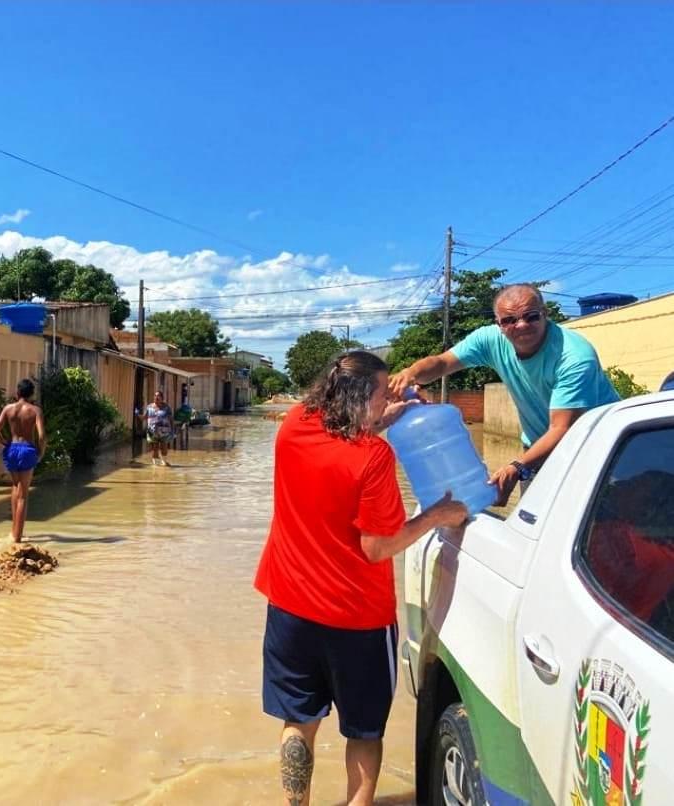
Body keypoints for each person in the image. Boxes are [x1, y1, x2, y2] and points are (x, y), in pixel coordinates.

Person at [254, 351, 468, 806]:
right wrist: (435, 515)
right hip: (357, 620)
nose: (383, 402)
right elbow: (377, 546)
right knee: (364, 730)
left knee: (298, 722)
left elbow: (340, 437)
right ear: (360, 397)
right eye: (380, 393)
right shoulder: (373, 458)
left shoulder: (294, 424)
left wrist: (386, 416)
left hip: (289, 608)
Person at [389, 284, 619, 504]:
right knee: (533, 526)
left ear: (545, 313)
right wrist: (411, 373)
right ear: (498, 323)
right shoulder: (491, 340)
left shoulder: (574, 357)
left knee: (597, 533)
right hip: (537, 450)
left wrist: (517, 467)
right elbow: (442, 363)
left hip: (598, 453)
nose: (521, 325)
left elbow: (562, 428)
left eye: (531, 316)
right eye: (509, 320)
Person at [0, 378, 47, 543]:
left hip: (11, 449)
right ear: (31, 394)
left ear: (17, 393)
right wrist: (41, 451)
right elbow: (42, 435)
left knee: (15, 488)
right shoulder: (35, 410)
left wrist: (6, 443)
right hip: (27, 450)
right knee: (23, 494)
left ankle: (13, 531)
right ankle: (18, 537)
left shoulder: (8, 409)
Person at [141, 390, 174, 466]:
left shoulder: (167, 407)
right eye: (155, 396)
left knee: (164, 448)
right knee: (154, 448)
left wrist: (172, 430)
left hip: (164, 431)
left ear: (162, 398)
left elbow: (171, 419)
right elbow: (144, 417)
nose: (156, 397)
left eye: (158, 396)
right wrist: (137, 414)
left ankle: (164, 461)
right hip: (152, 431)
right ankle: (155, 465)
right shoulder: (149, 406)